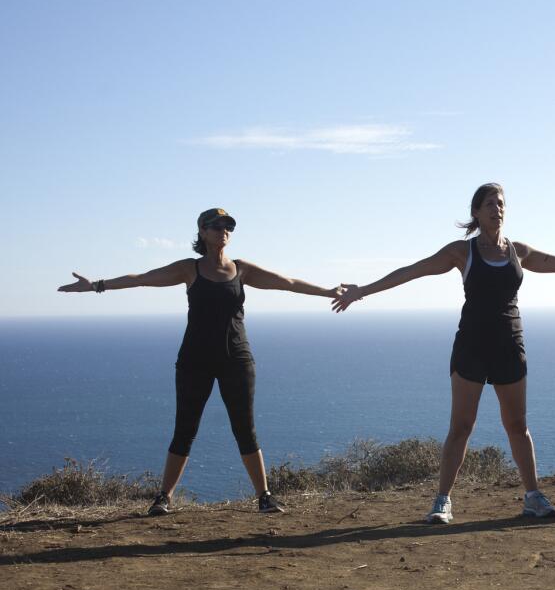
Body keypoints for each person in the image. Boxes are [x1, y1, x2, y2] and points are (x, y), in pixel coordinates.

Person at [332, 183, 555, 524]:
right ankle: (442, 501)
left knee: (517, 425)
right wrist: (363, 291)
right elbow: (412, 271)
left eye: (501, 203)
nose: (497, 208)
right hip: (472, 345)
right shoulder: (462, 252)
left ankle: (533, 496)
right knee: (461, 426)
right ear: (476, 212)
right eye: (490, 203)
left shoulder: (518, 251)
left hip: (509, 344)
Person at [58, 208, 344, 516]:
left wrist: (328, 291)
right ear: (202, 232)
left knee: (245, 429)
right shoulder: (189, 269)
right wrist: (97, 285)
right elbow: (142, 279)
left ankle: (264, 497)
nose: (224, 230)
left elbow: (286, 282)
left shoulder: (242, 269)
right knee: (185, 428)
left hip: (237, 359)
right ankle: (163, 498)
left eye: (228, 226)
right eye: (216, 226)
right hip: (195, 360)